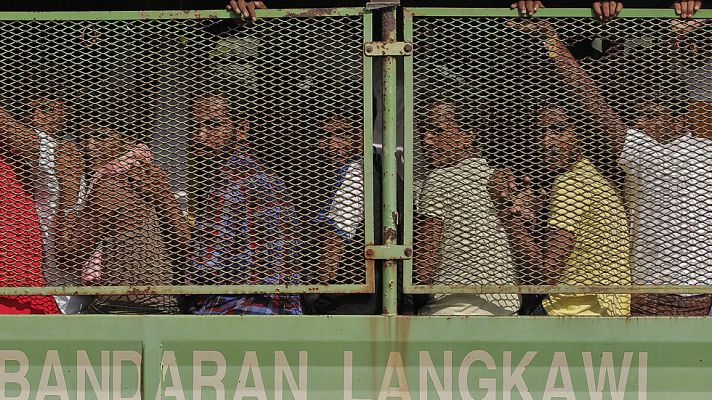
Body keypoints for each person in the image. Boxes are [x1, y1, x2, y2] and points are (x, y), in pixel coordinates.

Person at [187, 93, 303, 315]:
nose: (199, 136)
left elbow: (205, 265)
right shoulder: (271, 179)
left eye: (212, 125)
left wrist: (166, 204)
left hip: (233, 314)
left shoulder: (228, 180)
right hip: (281, 314)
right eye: (194, 126)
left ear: (241, 130)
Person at [53, 125, 188, 314]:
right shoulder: (152, 174)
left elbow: (69, 257)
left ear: (128, 141)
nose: (89, 146)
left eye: (101, 136)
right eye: (82, 138)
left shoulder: (112, 184)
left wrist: (68, 183)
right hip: (167, 305)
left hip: (123, 308)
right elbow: (186, 243)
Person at [414, 100, 521, 316]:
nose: (427, 140)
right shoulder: (498, 179)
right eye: (423, 131)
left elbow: (425, 268)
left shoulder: (438, 179)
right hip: (506, 310)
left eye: (437, 130)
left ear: (468, 135)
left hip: (453, 310)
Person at [306, 114, 414, 315]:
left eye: (341, 134)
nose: (330, 144)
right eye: (324, 135)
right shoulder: (387, 172)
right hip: (383, 300)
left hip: (347, 305)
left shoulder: (354, 175)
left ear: (360, 135)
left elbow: (330, 259)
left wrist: (311, 294)